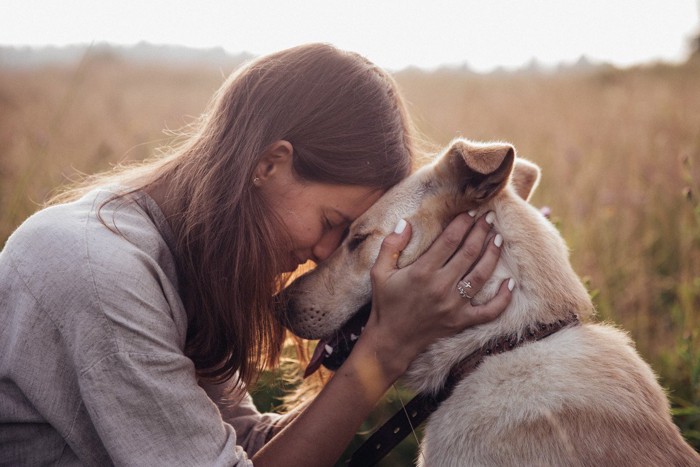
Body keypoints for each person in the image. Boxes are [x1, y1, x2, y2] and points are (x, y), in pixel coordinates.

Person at [0, 43, 513, 466]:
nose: (323, 253)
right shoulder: (100, 274)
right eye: (332, 223)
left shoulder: (182, 260)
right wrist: (386, 347)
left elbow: (245, 448)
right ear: (271, 163)